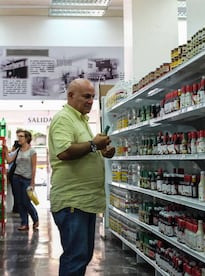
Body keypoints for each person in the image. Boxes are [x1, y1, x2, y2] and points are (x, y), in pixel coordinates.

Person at [48, 78, 115, 276]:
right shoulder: (64, 118)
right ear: (70, 95)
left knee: (82, 255)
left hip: (84, 201)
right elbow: (65, 151)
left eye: (93, 97)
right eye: (86, 96)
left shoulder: (81, 121)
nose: (90, 100)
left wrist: (101, 151)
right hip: (72, 202)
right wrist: (94, 144)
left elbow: (83, 149)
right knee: (76, 256)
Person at [4, 130, 38, 231]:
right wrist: (5, 151)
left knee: (26, 201)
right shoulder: (18, 150)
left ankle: (35, 218)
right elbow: (9, 160)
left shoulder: (32, 151)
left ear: (27, 138)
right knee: (19, 202)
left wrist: (32, 182)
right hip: (16, 178)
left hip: (26, 179)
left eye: (21, 136)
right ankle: (24, 223)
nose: (19, 138)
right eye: (18, 136)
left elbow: (34, 167)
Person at [7, 140, 20, 213]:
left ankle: (16, 208)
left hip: (14, 175)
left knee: (15, 193)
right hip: (16, 175)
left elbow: (9, 160)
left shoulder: (14, 153)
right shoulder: (19, 152)